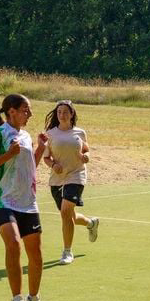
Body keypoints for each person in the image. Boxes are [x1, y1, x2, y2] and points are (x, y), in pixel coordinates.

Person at [0, 94, 49, 301]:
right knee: (13, 243)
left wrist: (40, 148)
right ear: (11, 111)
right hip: (2, 200)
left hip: (27, 202)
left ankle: (34, 298)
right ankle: (17, 298)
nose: (29, 114)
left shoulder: (26, 136)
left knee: (36, 256)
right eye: (25, 110)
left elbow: (30, 169)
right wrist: (8, 155)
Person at [42, 100, 99, 265]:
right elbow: (46, 157)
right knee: (68, 215)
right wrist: (53, 164)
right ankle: (91, 223)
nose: (62, 115)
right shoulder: (50, 134)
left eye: (65, 112)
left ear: (72, 113)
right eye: (59, 112)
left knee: (66, 212)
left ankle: (67, 252)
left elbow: (86, 149)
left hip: (76, 175)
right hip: (57, 179)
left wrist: (86, 157)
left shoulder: (80, 132)